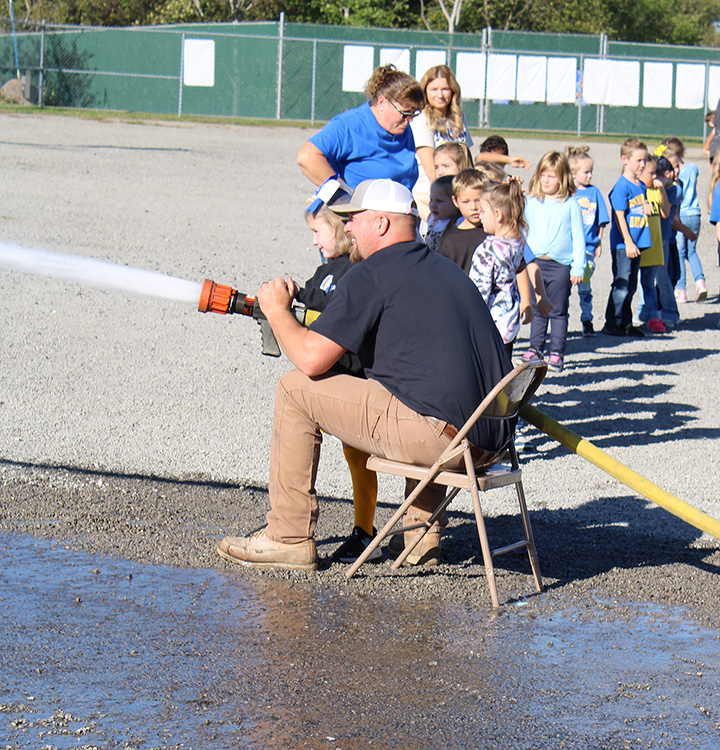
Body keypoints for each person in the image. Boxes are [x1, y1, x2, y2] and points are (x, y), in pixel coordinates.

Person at [216, 179, 512, 571]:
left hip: (441, 440)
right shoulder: (446, 270)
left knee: (294, 389)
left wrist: (276, 310)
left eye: (353, 219)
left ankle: (288, 536)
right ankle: (420, 538)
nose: (348, 228)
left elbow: (310, 359)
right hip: (489, 442)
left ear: (382, 224)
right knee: (424, 392)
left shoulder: (372, 273)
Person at [299, 178, 381, 564]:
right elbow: (313, 302)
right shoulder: (326, 270)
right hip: (329, 376)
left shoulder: (354, 271)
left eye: (318, 231)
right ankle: (299, 525)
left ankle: (365, 531)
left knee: (358, 457)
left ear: (339, 227)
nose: (315, 241)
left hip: (355, 379)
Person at [296, 65, 424, 191]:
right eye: (405, 113)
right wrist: (345, 195)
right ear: (382, 103)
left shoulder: (402, 130)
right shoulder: (350, 125)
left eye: (414, 113)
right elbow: (307, 157)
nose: (410, 119)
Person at [521, 151, 586, 373]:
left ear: (563, 178)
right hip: (534, 263)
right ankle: (535, 349)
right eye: (543, 175)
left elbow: (579, 237)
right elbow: (522, 231)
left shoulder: (570, 204)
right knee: (538, 308)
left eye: (552, 176)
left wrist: (579, 266)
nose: (546, 180)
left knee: (558, 310)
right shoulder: (530, 202)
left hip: (560, 266)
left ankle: (556, 352)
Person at [468, 180, 529, 356]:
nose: (480, 216)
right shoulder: (518, 242)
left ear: (497, 214)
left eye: (483, 211)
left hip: (488, 324)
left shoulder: (488, 250)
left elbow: (480, 291)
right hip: (509, 320)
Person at [602, 138, 652, 338]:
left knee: (631, 284)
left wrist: (646, 208)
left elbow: (639, 208)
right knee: (621, 284)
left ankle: (626, 322)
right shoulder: (621, 186)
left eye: (644, 160)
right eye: (639, 160)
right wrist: (628, 242)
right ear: (625, 159)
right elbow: (620, 216)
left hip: (637, 242)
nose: (642, 164)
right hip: (624, 244)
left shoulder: (640, 184)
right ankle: (612, 322)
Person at [411, 65, 473, 219]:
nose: (440, 95)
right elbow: (431, 170)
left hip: (459, 190)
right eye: (434, 89)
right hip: (432, 193)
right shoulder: (421, 119)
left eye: (445, 89)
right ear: (425, 91)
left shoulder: (459, 118)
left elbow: (468, 158)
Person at [566, 146, 609, 338]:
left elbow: (601, 220)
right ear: (573, 174)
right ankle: (561, 320)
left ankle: (587, 319)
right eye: (586, 172)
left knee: (585, 287)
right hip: (568, 249)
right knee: (564, 288)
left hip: (588, 249)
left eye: (591, 172)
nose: (590, 176)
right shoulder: (567, 193)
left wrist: (598, 241)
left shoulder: (594, 193)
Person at [661, 137, 707, 303]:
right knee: (692, 251)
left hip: (681, 215)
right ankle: (700, 282)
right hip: (695, 214)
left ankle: (680, 289)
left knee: (679, 254)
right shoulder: (692, 169)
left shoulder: (673, 181)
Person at [636, 156, 671, 333]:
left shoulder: (655, 190)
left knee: (649, 283)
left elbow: (665, 213)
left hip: (653, 246)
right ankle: (624, 316)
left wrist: (662, 191)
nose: (654, 176)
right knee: (630, 284)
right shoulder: (637, 190)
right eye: (651, 173)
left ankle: (653, 317)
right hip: (638, 245)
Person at [424, 175, 460, 254]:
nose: (433, 205)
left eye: (439, 201)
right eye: (431, 199)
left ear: (455, 202)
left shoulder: (459, 223)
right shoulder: (432, 219)